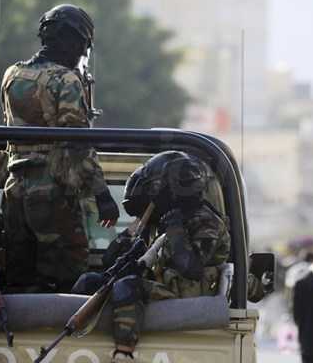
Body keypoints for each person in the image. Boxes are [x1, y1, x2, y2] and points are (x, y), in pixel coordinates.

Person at [0, 4, 119, 292]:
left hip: (14, 191)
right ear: (71, 41)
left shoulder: (12, 74)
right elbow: (78, 143)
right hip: (53, 193)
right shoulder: (66, 80)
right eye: (82, 45)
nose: (82, 53)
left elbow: (9, 131)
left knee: (18, 277)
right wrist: (102, 195)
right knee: (66, 280)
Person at [73, 151, 231, 362]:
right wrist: (131, 242)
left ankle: (123, 352)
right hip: (166, 285)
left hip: (189, 293)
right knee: (89, 282)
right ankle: (74, 340)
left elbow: (191, 268)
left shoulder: (206, 221)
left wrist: (175, 230)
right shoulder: (162, 222)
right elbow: (110, 259)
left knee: (128, 287)